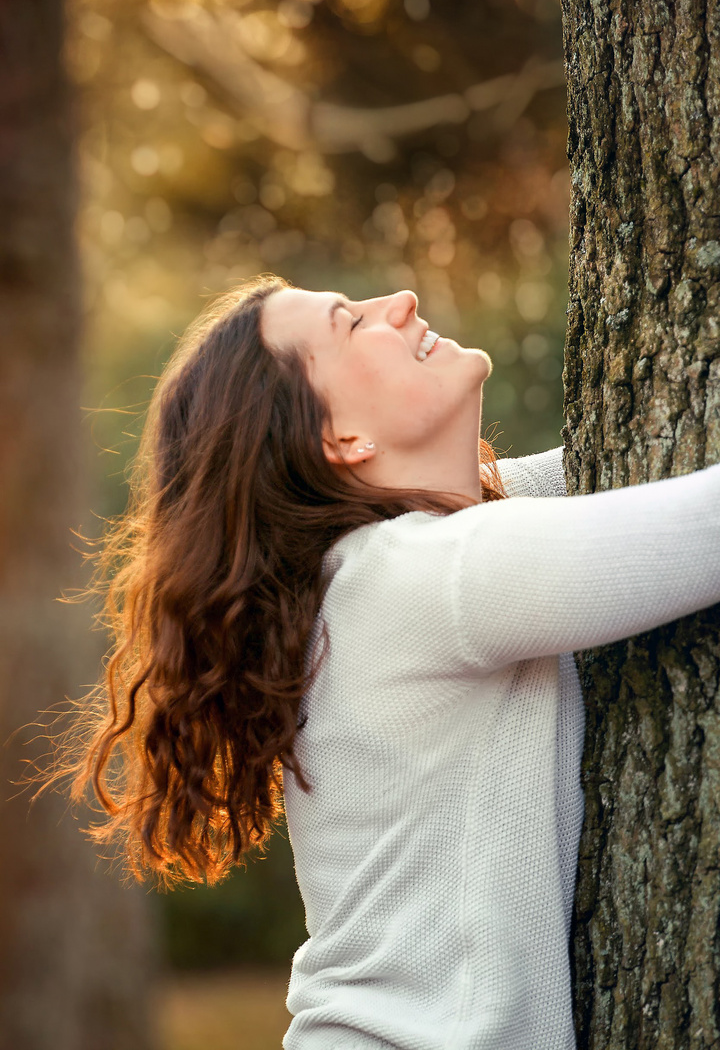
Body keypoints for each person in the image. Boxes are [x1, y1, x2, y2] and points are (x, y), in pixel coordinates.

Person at [51, 274, 720, 1050]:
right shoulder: (413, 580)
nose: (399, 299)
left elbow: (631, 479)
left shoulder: (384, 572)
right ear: (340, 440)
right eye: (350, 321)